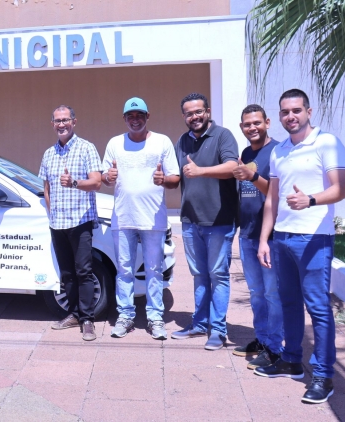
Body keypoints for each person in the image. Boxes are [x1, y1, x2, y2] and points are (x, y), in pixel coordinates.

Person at [254, 89, 345, 404]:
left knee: (319, 308)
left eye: (296, 110)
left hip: (314, 238)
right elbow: (272, 199)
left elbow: (340, 189)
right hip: (282, 237)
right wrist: (265, 239)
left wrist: (309, 200)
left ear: (308, 111)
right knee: (289, 304)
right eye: (284, 112)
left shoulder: (327, 143)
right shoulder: (279, 151)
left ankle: (323, 376)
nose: (290, 116)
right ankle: (292, 360)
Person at [102, 98, 180, 340]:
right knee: (124, 270)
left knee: (154, 270)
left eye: (139, 115)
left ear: (148, 117)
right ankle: (125, 316)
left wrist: (163, 181)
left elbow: (175, 179)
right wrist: (108, 176)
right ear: (124, 119)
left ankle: (155, 318)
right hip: (123, 218)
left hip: (153, 219)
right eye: (130, 116)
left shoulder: (162, 141)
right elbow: (105, 176)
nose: (135, 119)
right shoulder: (115, 143)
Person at [170, 93, 239, 350]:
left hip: (219, 220)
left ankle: (218, 330)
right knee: (199, 275)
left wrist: (202, 171)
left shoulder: (222, 135)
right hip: (190, 220)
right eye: (189, 113)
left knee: (218, 275)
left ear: (207, 111)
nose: (194, 117)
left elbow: (233, 166)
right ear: (184, 116)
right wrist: (161, 179)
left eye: (198, 111)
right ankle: (199, 324)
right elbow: (178, 176)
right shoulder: (183, 141)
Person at [39, 105, 103, 341]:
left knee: (84, 271)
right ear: (53, 124)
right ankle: (73, 314)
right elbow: (46, 188)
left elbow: (97, 182)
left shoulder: (87, 148)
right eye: (57, 120)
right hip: (58, 223)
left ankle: (87, 320)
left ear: (74, 122)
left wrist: (74, 183)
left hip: (80, 221)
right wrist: (51, 212)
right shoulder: (48, 153)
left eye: (66, 120)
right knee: (66, 273)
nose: (62, 124)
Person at [231, 105, 283, 368]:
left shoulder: (278, 151)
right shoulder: (246, 152)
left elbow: (275, 193)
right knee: (256, 293)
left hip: (270, 236)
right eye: (247, 124)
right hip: (248, 233)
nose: (252, 128)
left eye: (256, 123)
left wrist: (252, 176)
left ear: (267, 122)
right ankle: (262, 340)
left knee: (273, 294)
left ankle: (275, 348)